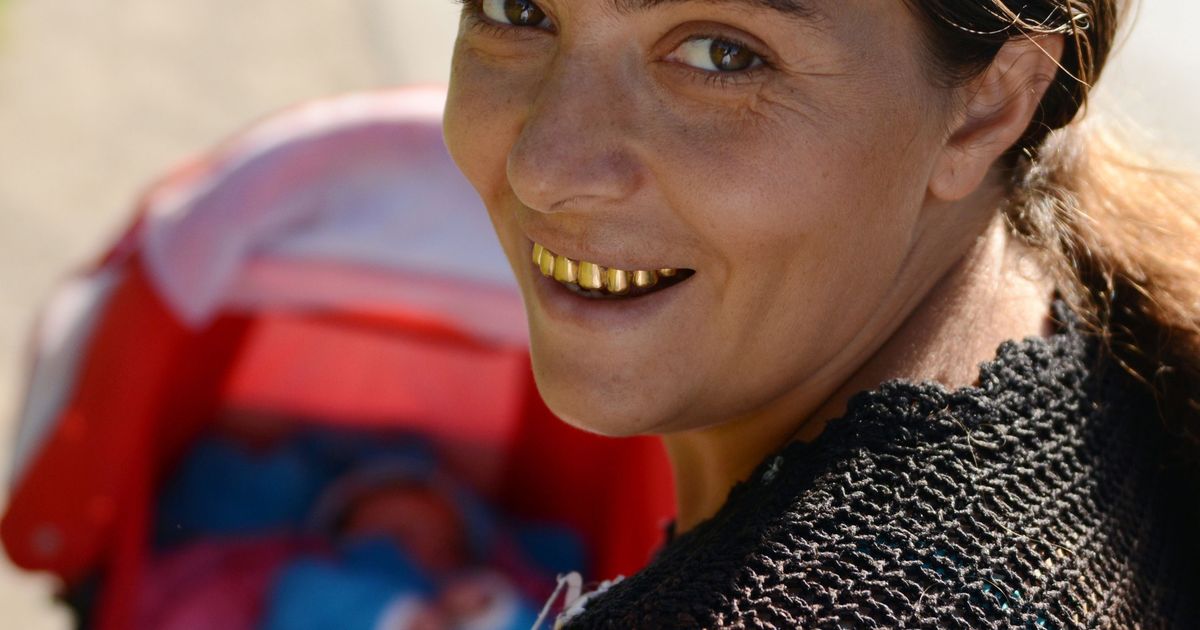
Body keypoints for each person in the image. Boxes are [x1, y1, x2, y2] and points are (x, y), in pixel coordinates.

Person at [443, 0, 1200, 627]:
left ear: (991, 106)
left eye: (723, 55)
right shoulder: (1102, 364)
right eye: (518, 12)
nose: (542, 169)